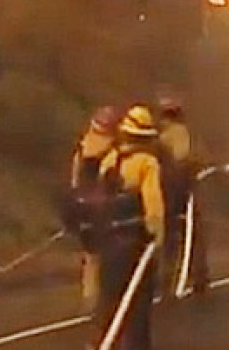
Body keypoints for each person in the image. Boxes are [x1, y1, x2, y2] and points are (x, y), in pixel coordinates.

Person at [93, 104, 165, 350]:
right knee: (138, 309)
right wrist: (157, 238)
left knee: (110, 303)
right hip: (134, 246)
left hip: (108, 244)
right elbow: (153, 206)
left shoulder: (109, 161)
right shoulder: (147, 163)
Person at [156, 95, 211, 297]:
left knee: (171, 235)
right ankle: (198, 276)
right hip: (182, 188)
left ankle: (168, 279)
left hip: (167, 190)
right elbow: (183, 157)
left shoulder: (161, 135)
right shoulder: (179, 133)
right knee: (192, 232)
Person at [68, 106, 118, 313]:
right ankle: (105, 295)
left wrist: (76, 198)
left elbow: (75, 176)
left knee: (91, 253)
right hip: (107, 204)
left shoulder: (84, 145)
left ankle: (90, 295)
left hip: (86, 203)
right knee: (107, 251)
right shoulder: (115, 148)